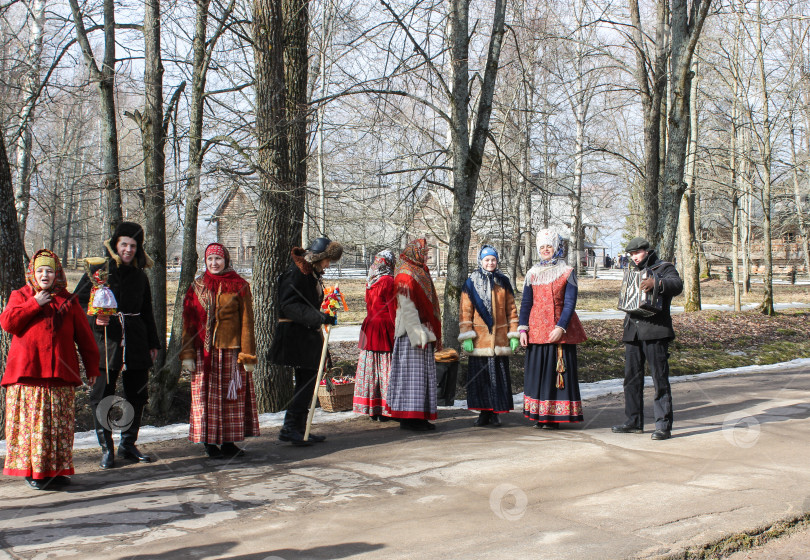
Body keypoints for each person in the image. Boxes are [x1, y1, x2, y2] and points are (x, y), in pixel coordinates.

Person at [1, 249, 100, 490]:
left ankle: (56, 471)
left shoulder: (69, 300)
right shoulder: (20, 295)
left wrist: (92, 368)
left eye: (50, 271)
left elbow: (85, 338)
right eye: (40, 271)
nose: (45, 275)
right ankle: (34, 473)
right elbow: (8, 323)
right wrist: (34, 303)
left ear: (57, 274)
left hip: (60, 377)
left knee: (58, 427)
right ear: (32, 274)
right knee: (33, 428)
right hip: (27, 376)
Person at [75, 222, 161, 469]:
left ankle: (128, 444)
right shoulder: (99, 271)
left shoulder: (140, 276)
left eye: (133, 245)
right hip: (106, 342)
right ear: (115, 245)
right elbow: (77, 303)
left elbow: (146, 311)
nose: (128, 249)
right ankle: (107, 448)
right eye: (124, 244)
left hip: (135, 340)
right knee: (103, 394)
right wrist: (94, 316)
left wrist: (153, 342)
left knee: (137, 393)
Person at [181, 243, 259, 458]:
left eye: (218, 259)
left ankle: (228, 443)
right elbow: (188, 322)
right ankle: (208, 441)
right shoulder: (197, 286)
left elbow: (247, 322)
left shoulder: (239, 285)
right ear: (204, 262)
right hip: (203, 353)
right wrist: (187, 353)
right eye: (210, 260)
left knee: (230, 399)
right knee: (207, 399)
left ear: (226, 260)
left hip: (230, 351)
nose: (214, 263)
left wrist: (248, 353)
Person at [269, 237, 343, 445]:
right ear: (319, 257)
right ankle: (291, 427)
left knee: (308, 382)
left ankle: (299, 428)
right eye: (327, 260)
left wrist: (324, 313)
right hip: (296, 336)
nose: (328, 264)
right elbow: (289, 305)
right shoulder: (296, 274)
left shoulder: (311, 274)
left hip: (306, 335)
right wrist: (318, 317)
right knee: (305, 382)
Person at [612, 237, 683, 440]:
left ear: (647, 250)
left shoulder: (664, 267)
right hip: (633, 332)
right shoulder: (631, 271)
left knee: (659, 379)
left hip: (655, 330)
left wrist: (656, 283)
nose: (634, 257)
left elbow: (677, 285)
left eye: (637, 253)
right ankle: (633, 421)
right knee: (631, 380)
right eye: (631, 254)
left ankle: (663, 425)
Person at [518, 229, 587, 429]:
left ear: (556, 248)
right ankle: (540, 416)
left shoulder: (567, 272)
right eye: (542, 247)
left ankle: (554, 417)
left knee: (555, 374)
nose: (546, 250)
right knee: (538, 374)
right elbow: (526, 303)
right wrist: (523, 329)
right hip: (537, 331)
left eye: (549, 246)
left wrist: (561, 327)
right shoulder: (532, 274)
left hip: (559, 332)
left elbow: (569, 303)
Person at [458, 245, 519, 427]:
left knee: (498, 378)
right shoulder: (470, 283)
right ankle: (483, 413)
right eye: (487, 260)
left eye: (493, 259)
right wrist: (467, 335)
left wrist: (513, 334)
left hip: (499, 339)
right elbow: (465, 311)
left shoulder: (503, 282)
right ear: (480, 262)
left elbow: (512, 310)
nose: (490, 263)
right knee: (481, 379)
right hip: (479, 340)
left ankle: (495, 413)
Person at [385, 238, 441, 431]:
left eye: (426, 253)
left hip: (423, 329)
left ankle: (420, 415)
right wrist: (418, 334)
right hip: (411, 333)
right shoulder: (405, 275)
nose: (426, 256)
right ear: (414, 252)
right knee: (411, 377)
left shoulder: (419, 271)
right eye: (424, 252)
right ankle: (409, 417)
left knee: (421, 377)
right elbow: (407, 307)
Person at [353, 250, 396, 421]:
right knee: (386, 367)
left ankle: (373, 407)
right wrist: (398, 328)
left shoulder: (371, 279)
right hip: (384, 327)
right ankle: (386, 408)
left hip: (370, 325)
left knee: (371, 367)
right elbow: (393, 310)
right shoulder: (389, 281)